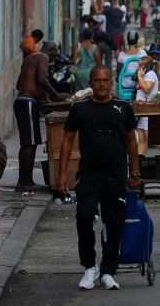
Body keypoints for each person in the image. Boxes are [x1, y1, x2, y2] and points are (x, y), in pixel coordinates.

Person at [57, 66, 140, 291]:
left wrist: (135, 172)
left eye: (105, 80)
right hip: (89, 174)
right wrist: (62, 175)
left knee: (114, 223)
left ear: (111, 82)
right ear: (91, 83)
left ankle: (108, 271)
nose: (101, 84)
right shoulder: (80, 109)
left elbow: (132, 141)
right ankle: (89, 267)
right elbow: (67, 140)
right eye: (97, 80)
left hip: (116, 175)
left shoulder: (123, 108)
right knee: (84, 217)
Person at [15, 38, 64, 191]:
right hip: (28, 102)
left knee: (28, 142)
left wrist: (43, 96)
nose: (55, 56)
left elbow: (19, 84)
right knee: (30, 143)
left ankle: (24, 180)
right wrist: (55, 94)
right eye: (55, 52)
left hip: (23, 102)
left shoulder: (30, 58)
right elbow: (41, 79)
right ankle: (25, 181)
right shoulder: (42, 57)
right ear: (51, 50)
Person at [134, 56, 160, 156]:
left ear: (145, 67)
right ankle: (139, 161)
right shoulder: (145, 75)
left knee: (152, 139)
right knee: (142, 139)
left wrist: (139, 76)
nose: (137, 67)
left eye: (140, 65)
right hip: (142, 111)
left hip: (148, 111)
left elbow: (147, 89)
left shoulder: (150, 75)